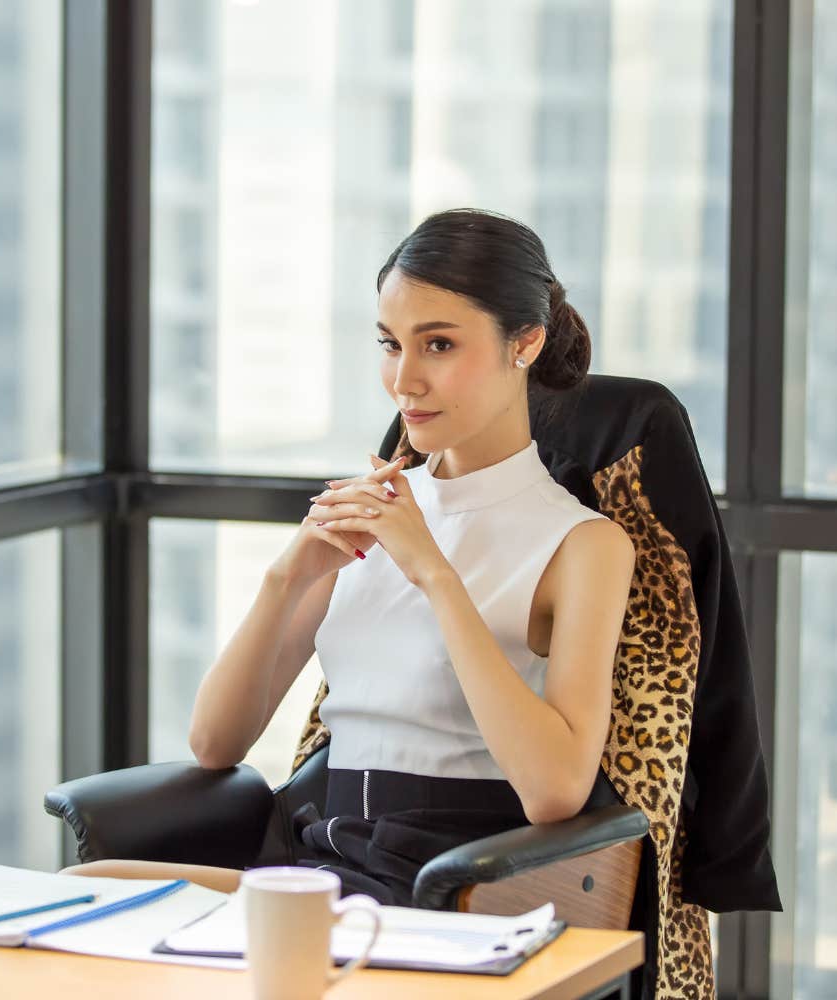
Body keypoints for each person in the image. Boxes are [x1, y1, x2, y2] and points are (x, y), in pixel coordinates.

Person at [62, 208, 635, 902]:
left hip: (446, 882)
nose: (404, 381)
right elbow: (215, 743)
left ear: (526, 343)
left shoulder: (582, 545)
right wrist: (288, 575)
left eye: (440, 345)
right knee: (83, 893)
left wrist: (435, 574)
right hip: (314, 856)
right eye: (390, 344)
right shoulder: (374, 511)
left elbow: (554, 792)